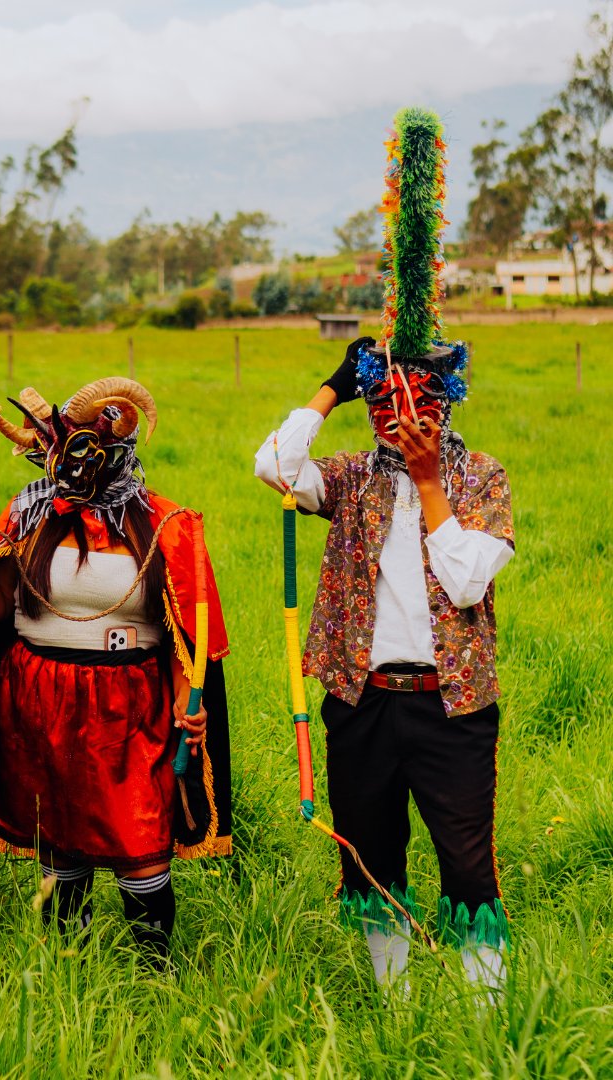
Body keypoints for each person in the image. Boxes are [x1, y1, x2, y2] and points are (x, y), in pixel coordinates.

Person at [254, 335, 514, 995]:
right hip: (361, 701)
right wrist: (331, 388)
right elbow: (276, 466)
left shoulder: (481, 476)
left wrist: (430, 485)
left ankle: (490, 1012)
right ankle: (393, 1007)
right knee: (371, 860)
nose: (396, 416)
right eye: (378, 400)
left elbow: (465, 583)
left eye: (414, 401)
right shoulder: (351, 476)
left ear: (444, 401)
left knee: (466, 865)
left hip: (453, 708)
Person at [0, 379, 231, 962]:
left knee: (140, 837)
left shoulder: (165, 524)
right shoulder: (29, 513)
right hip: (42, 697)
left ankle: (155, 982)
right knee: (62, 843)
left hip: (130, 705)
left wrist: (189, 698)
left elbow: (190, 635)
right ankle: (70, 974)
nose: (71, 471)